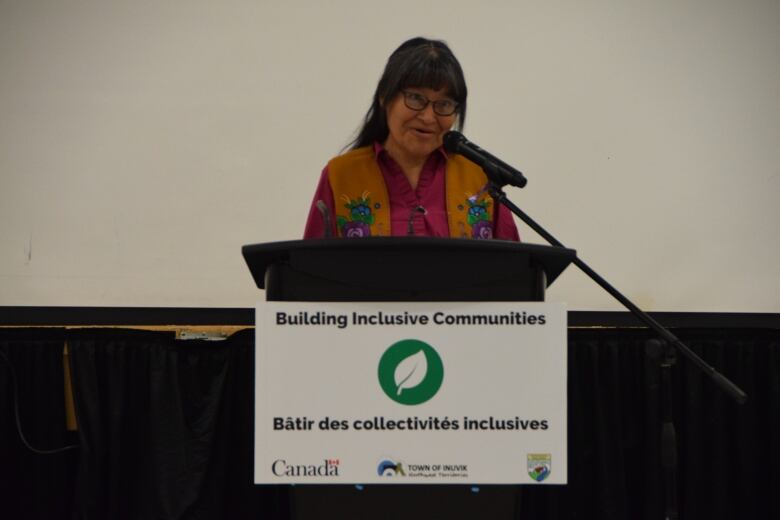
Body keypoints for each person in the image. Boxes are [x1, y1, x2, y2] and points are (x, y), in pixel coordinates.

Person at [303, 37, 519, 241]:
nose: (428, 117)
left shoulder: (479, 178)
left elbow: (515, 271)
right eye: (416, 98)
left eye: (443, 104)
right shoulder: (341, 176)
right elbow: (309, 271)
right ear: (385, 97)